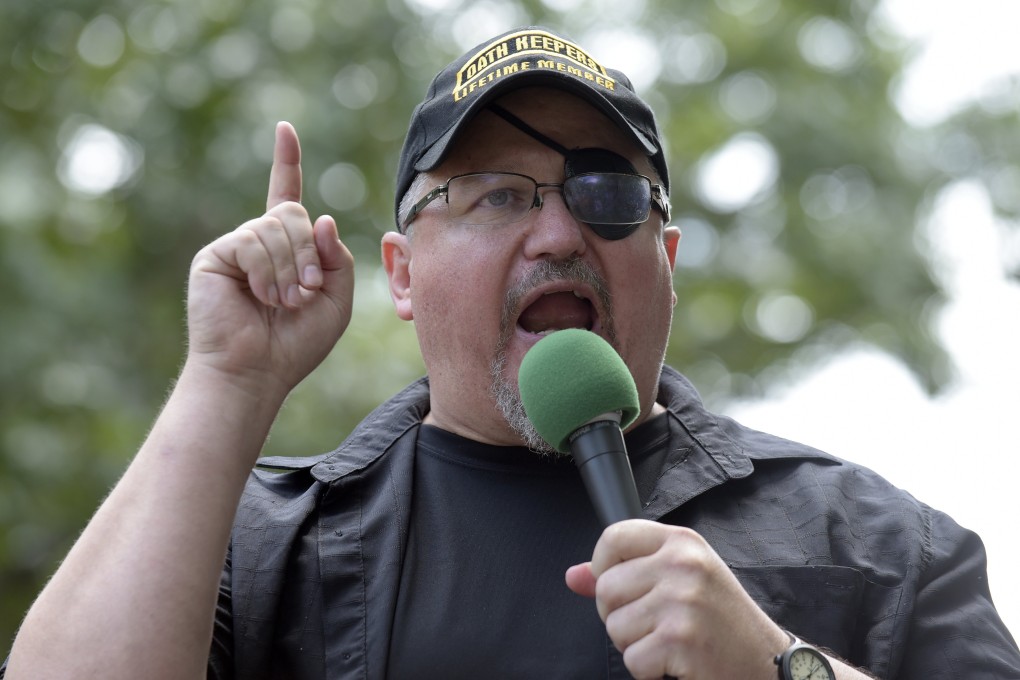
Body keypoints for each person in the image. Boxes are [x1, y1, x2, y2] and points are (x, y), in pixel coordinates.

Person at [4, 25, 1019, 680]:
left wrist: (782, 666)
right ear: (400, 273)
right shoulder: (259, 548)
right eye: (495, 194)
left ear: (666, 260)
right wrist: (228, 379)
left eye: (606, 193)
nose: (560, 233)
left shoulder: (885, 547)